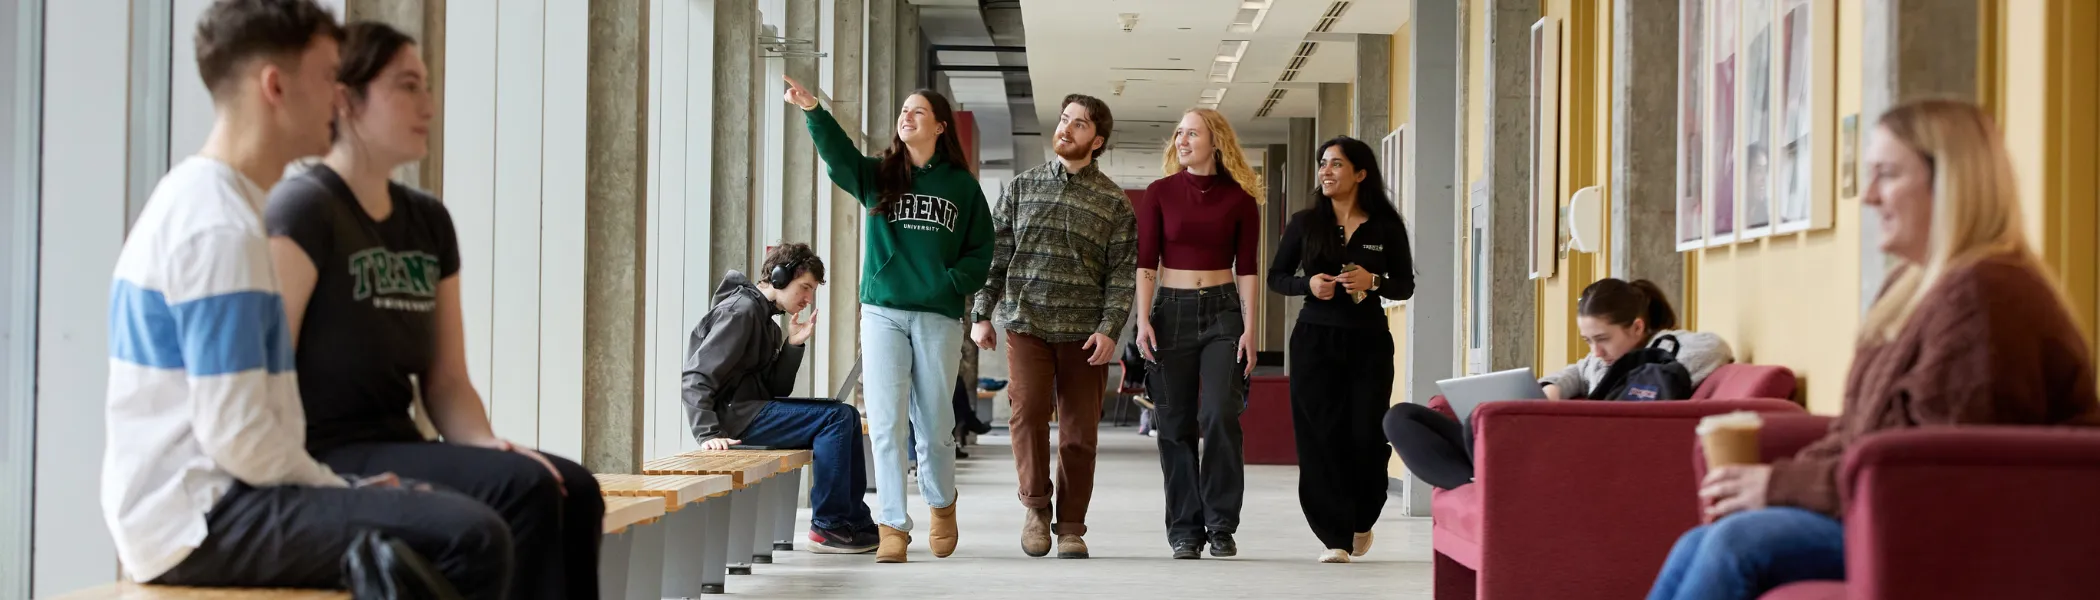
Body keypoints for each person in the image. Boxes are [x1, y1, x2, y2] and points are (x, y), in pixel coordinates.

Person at [103, 2, 510, 596]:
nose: (338, 97)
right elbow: (238, 435)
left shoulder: (219, 204)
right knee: (469, 535)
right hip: (201, 519)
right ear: (274, 86)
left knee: (447, 517)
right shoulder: (218, 227)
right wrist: (338, 490)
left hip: (210, 506)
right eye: (327, 77)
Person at [1647, 99, 2100, 600]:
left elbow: (1938, 469)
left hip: (1973, 529)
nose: (1867, 197)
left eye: (1887, 174)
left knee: (1736, 543)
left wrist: (1776, 487)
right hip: (1898, 510)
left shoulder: (1987, 294)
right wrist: (1769, 480)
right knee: (1699, 541)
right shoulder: (1910, 288)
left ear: (1951, 184)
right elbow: (1857, 435)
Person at [264, 21, 599, 598]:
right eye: (407, 86)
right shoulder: (303, 210)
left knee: (574, 487)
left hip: (399, 440)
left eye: (428, 86)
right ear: (347, 99)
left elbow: (446, 380)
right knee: (524, 491)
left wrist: (486, 442)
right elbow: (266, 369)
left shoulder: (427, 222)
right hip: (325, 455)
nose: (428, 103)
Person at [785, 75, 995, 564]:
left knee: (935, 422)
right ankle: (893, 525)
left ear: (941, 126)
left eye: (918, 111)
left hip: (938, 316)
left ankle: (942, 504)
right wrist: (814, 110)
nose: (907, 116)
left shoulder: (961, 187)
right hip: (882, 311)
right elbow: (839, 159)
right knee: (884, 421)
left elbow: (982, 250)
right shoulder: (880, 175)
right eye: (903, 110)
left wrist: (953, 281)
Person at [970, 93, 1138, 560]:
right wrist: (982, 312)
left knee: (1079, 434)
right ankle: (1036, 509)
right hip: (1028, 325)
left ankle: (1071, 526)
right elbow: (995, 255)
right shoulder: (1023, 187)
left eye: (1078, 124)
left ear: (1096, 140)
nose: (1065, 129)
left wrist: (1109, 329)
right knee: (1025, 417)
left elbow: (1122, 274)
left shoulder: (1114, 203)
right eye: (1064, 120)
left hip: (1085, 336)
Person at [1383, 278, 1733, 490]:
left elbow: (1715, 347)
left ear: (1638, 328)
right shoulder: (1597, 361)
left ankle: (1485, 478)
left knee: (1482, 423)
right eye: (1587, 340)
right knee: (1400, 418)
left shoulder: (1666, 351)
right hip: (1527, 451)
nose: (1596, 351)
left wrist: (1654, 348)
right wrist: (1549, 392)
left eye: (1603, 338)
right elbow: (1572, 374)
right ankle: (1478, 482)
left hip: (1571, 459)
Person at [1267, 136, 1416, 563]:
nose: (1326, 171)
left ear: (1360, 173)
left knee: (1366, 436)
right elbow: (1278, 275)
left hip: (1369, 340)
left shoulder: (1386, 226)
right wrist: (1306, 285)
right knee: (1320, 437)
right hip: (1315, 339)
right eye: (1322, 163)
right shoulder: (1304, 223)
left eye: (1336, 164)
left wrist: (1375, 283)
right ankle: (1334, 537)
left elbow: (1404, 284)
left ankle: (1362, 517)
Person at [679, 243, 879, 554]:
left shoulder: (766, 321)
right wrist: (708, 433)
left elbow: (776, 388)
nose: (808, 298)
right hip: (735, 420)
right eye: (805, 287)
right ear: (779, 276)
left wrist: (792, 345)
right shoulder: (741, 312)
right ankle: (829, 525)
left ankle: (852, 521)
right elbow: (696, 375)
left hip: (751, 412)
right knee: (837, 418)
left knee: (847, 415)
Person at [1136, 107, 1264, 560]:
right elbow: (1146, 262)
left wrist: (1252, 328)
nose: (1182, 140)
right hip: (1170, 312)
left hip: (1223, 313)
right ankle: (1184, 530)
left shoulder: (1240, 200)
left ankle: (1221, 524)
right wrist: (1143, 318)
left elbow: (1247, 269)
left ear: (1217, 141)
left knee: (1219, 415)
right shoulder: (1159, 193)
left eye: (1193, 133)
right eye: (1179, 133)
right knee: (1174, 423)